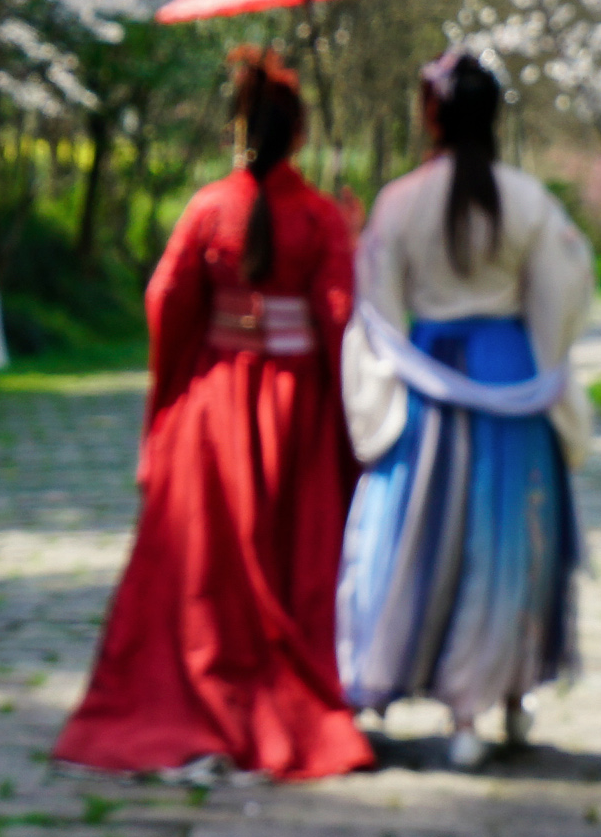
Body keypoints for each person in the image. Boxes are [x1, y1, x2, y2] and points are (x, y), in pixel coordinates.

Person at [54, 51, 376, 782]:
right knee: (284, 559)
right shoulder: (320, 216)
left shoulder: (207, 207)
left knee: (202, 569)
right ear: (297, 134)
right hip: (290, 412)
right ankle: (277, 701)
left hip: (210, 411)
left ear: (240, 125)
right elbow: (337, 317)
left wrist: (170, 399)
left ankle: (193, 700)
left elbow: (166, 305)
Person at [336, 47, 595, 765]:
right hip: (510, 382)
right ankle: (504, 698)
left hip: (428, 386)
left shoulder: (399, 201)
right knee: (511, 544)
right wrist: (543, 358)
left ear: (432, 115)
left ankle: (453, 713)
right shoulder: (527, 201)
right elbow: (562, 291)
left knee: (421, 539)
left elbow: (377, 307)